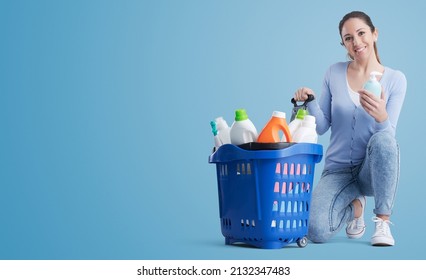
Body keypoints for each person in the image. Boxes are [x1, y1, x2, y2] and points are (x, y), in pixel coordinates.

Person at [293, 11, 407, 246]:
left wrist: (381, 115)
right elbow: (322, 126)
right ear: (343, 43)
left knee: (384, 140)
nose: (356, 42)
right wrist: (308, 102)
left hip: (371, 172)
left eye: (361, 33)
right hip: (338, 171)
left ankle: (382, 223)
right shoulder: (333, 72)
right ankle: (356, 207)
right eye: (348, 38)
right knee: (315, 230)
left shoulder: (396, 79)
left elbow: (388, 142)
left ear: (374, 34)